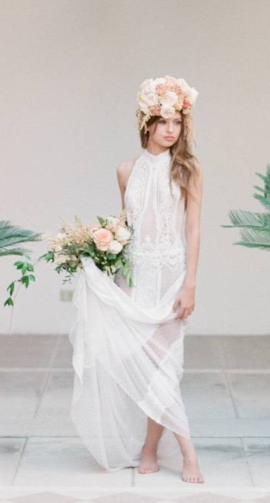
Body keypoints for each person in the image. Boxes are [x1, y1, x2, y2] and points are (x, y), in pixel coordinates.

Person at [70, 75, 204, 484]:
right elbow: (124, 228)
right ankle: (149, 447)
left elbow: (194, 231)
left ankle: (187, 452)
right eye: (163, 121)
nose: (170, 129)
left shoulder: (188, 169)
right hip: (139, 279)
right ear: (146, 123)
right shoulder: (126, 171)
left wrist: (190, 285)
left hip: (172, 279)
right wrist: (95, 252)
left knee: (165, 365)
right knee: (146, 367)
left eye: (177, 122)